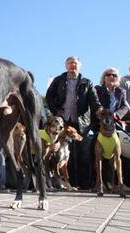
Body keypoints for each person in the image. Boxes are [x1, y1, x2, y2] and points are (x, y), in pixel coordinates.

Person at [45, 56, 102, 190]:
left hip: (81, 122)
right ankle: (67, 182)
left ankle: (84, 184)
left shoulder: (86, 82)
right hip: (63, 122)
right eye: (70, 63)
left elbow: (94, 99)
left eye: (75, 64)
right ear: (66, 66)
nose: (73, 66)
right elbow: (49, 96)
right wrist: (55, 110)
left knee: (83, 153)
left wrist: (99, 109)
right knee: (63, 152)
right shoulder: (59, 80)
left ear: (80, 66)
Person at [94, 67, 128, 132]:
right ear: (104, 77)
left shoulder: (121, 91)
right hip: (100, 122)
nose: (111, 76)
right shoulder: (97, 89)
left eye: (114, 75)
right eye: (108, 75)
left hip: (114, 122)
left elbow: (125, 106)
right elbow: (94, 103)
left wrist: (117, 114)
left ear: (117, 78)